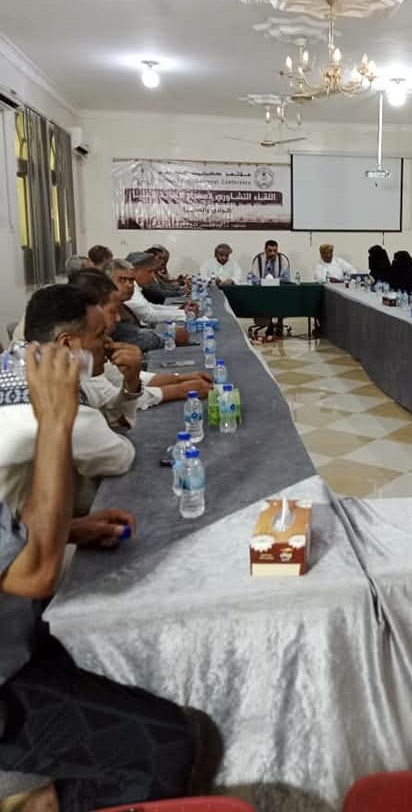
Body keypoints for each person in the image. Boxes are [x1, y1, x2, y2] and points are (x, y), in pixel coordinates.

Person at [0, 344, 217, 811]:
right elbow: (37, 573)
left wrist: (70, 529)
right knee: (169, 744)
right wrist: (55, 420)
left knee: (127, 662)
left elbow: (14, 541)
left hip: (19, 637)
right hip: (8, 679)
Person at [0, 285, 135, 516]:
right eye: (100, 335)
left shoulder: (14, 362)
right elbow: (119, 457)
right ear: (67, 344)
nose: (108, 343)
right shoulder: (55, 401)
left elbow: (111, 413)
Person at [71, 270, 212, 424]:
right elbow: (112, 404)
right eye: (113, 311)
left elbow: (119, 381)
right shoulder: (79, 358)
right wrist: (181, 389)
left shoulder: (97, 342)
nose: (118, 318)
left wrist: (181, 378)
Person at [103, 259, 164, 352]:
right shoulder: (105, 310)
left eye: (131, 280)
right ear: (106, 282)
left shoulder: (123, 306)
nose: (129, 285)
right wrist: (169, 337)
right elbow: (135, 340)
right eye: (122, 280)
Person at [126, 252, 187, 324]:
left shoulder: (135, 286)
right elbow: (149, 315)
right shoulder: (127, 288)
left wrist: (178, 309)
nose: (153, 276)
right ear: (134, 271)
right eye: (149, 271)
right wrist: (184, 314)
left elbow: (148, 306)